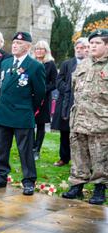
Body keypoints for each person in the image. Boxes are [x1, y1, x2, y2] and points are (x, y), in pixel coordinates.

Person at [0, 32, 46, 196]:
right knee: (2, 147)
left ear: (28, 46)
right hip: (4, 112)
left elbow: (40, 93)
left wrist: (28, 108)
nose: (14, 45)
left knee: (25, 150)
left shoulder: (35, 66)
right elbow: (2, 86)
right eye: (13, 42)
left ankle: (28, 181)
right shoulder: (6, 63)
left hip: (22, 113)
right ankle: (1, 177)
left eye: (19, 43)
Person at [62, 29, 108, 205]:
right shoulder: (83, 64)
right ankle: (77, 185)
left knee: (100, 156)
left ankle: (99, 188)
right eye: (92, 43)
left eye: (97, 43)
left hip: (101, 121)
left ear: (107, 45)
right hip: (79, 118)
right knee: (78, 154)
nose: (92, 46)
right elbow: (74, 86)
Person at [51, 38, 89, 167]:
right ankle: (64, 158)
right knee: (65, 132)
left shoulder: (91, 63)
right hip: (67, 102)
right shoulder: (67, 64)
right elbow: (59, 80)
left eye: (82, 48)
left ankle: (83, 162)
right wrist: (68, 88)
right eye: (77, 48)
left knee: (82, 135)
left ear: (87, 49)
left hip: (84, 104)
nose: (79, 50)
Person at [32, 40, 57, 161]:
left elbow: (54, 82)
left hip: (44, 99)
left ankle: (37, 150)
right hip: (30, 98)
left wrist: (43, 90)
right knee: (30, 124)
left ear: (46, 51)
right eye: (37, 49)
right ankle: (30, 147)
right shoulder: (31, 63)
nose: (39, 51)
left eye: (41, 49)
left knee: (40, 125)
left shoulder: (50, 64)